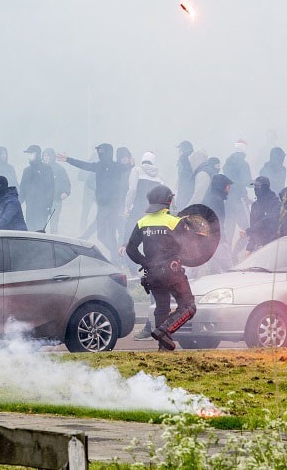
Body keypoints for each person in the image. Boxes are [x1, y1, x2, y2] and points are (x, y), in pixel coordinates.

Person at [124, 186, 194, 351]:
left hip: (152, 274)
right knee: (188, 306)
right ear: (168, 201)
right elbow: (190, 248)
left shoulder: (142, 222)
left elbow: (130, 249)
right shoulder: (174, 222)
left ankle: (163, 347)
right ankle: (165, 331)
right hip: (172, 273)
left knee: (162, 306)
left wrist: (145, 262)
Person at [59, 144, 131, 253]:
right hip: (102, 205)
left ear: (108, 152)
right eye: (99, 151)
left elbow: (127, 168)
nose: (100, 153)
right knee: (101, 236)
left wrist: (131, 164)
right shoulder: (99, 166)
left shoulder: (117, 166)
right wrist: (68, 159)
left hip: (114, 206)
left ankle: (118, 257)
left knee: (113, 234)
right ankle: (117, 254)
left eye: (102, 151)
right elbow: (84, 165)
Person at [20, 145, 55, 231]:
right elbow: (22, 190)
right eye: (28, 154)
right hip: (30, 209)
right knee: (30, 232)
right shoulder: (26, 171)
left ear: (38, 154)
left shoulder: (47, 169)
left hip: (42, 209)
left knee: (40, 234)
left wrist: (48, 206)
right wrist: (16, 204)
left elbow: (50, 189)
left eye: (31, 153)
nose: (29, 155)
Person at [243, 177, 281, 253]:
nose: (256, 189)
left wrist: (249, 231)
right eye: (255, 186)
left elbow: (268, 220)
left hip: (274, 244)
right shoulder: (255, 205)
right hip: (259, 245)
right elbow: (253, 225)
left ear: (265, 187)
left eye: (258, 186)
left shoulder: (276, 203)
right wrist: (250, 247)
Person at [44, 148, 71, 234]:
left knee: (53, 224)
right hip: (42, 201)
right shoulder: (40, 168)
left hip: (55, 201)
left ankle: (54, 242)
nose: (46, 157)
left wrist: (65, 192)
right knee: (40, 223)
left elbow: (66, 183)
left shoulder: (59, 169)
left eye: (48, 155)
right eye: (44, 155)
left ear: (52, 156)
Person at [175, 141, 195, 207]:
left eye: (180, 148)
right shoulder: (194, 157)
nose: (179, 151)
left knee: (181, 206)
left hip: (184, 187)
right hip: (191, 187)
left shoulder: (183, 158)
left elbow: (183, 173)